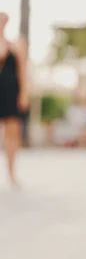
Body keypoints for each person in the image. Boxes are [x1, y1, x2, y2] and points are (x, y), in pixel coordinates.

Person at [0, 12, 29, 188]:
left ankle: (11, 173)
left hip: (11, 92)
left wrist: (24, 94)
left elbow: (23, 72)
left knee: (12, 133)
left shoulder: (17, 44)